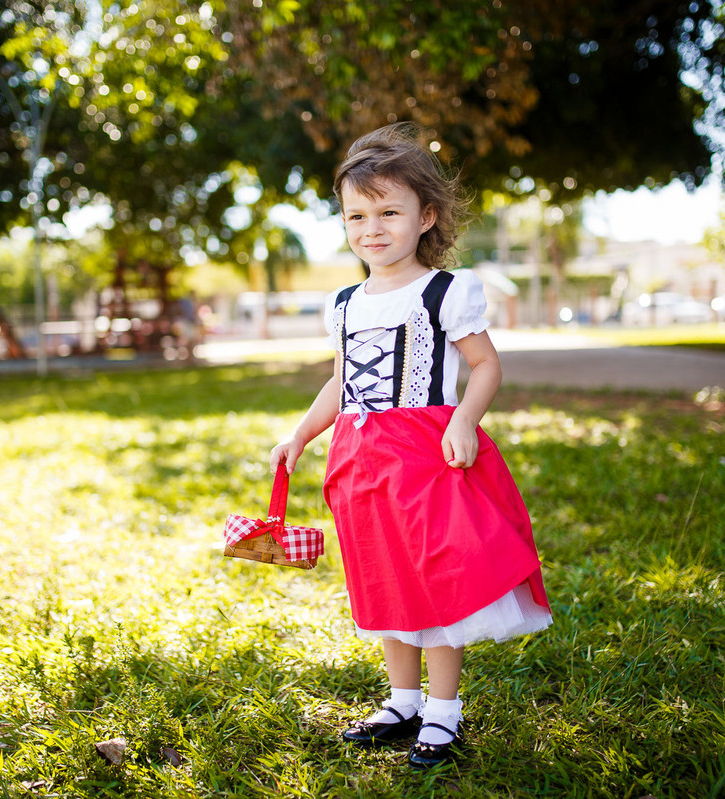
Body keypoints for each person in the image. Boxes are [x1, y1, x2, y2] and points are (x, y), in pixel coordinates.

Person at [269, 123, 552, 769]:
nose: (372, 228)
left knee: (439, 578)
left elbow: (486, 365)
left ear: (426, 217)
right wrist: (300, 433)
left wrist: (464, 420)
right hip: (359, 461)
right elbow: (342, 381)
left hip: (427, 456)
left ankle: (444, 711)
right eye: (357, 215)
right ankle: (402, 701)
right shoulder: (344, 303)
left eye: (389, 212)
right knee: (383, 576)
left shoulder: (444, 291)